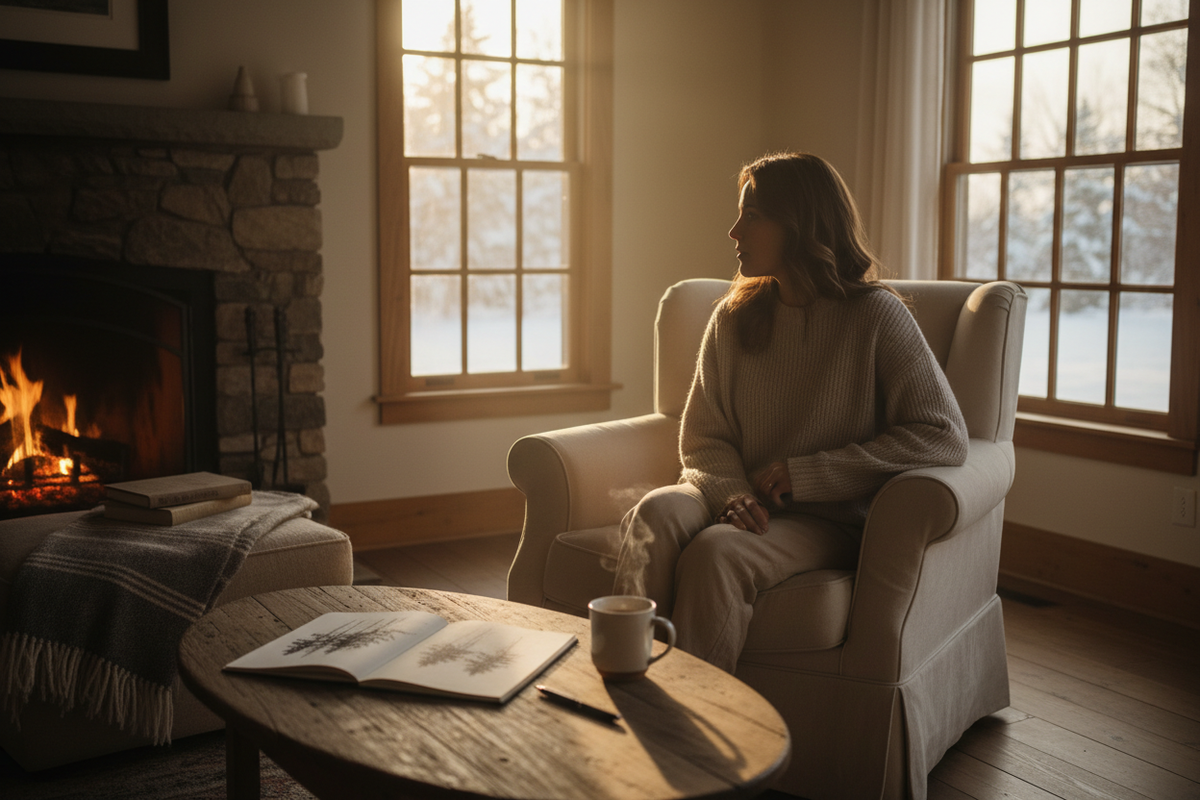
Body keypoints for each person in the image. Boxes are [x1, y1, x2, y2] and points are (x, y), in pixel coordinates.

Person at [611, 151, 969, 673]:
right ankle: (624, 682)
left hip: (826, 519)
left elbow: (942, 436)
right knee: (654, 514)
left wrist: (808, 473)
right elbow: (704, 438)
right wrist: (730, 492)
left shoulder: (876, 316)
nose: (734, 231)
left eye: (752, 215)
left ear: (801, 224)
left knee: (718, 554)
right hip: (734, 497)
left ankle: (690, 727)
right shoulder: (733, 317)